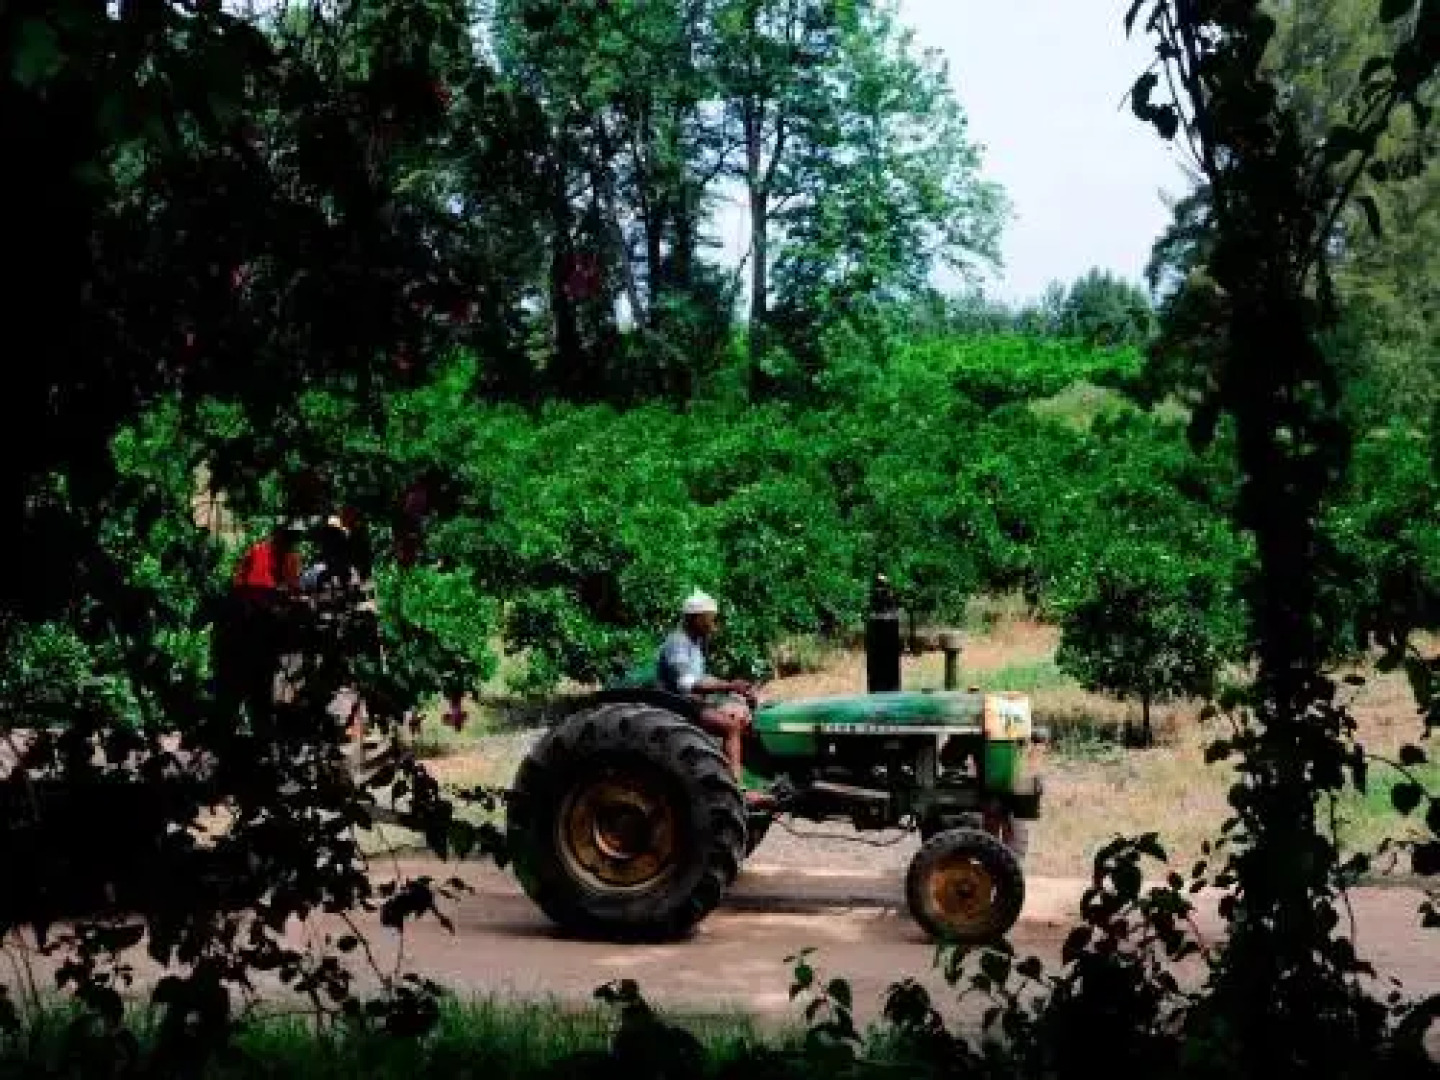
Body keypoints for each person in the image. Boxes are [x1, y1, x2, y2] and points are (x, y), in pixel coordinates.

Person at [656, 591, 777, 810]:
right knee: (730, 726)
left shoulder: (695, 642)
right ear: (696, 618)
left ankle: (759, 778)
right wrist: (730, 687)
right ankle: (738, 790)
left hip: (692, 702)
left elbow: (704, 678)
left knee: (747, 714)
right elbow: (687, 684)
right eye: (710, 617)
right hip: (679, 705)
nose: (713, 622)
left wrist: (736, 688)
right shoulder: (678, 644)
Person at [213, 520, 304, 725]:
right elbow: (241, 589)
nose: (290, 542)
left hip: (266, 632)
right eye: (287, 537)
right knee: (237, 688)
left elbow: (291, 591)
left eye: (293, 539)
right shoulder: (257, 553)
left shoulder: (291, 558)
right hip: (243, 630)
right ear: (277, 535)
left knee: (262, 689)